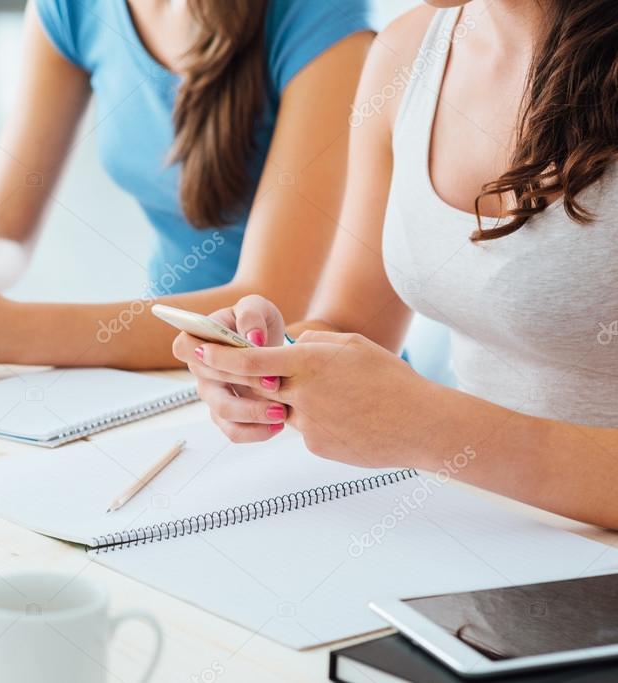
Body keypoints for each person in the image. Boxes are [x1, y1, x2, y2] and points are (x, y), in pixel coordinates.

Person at [173, 0, 618, 529]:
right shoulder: (405, 55)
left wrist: (438, 431)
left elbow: (437, 430)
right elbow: (352, 325)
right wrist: (269, 361)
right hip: (484, 531)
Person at [0, 0, 373, 369]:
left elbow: (271, 301)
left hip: (278, 382)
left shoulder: (322, 20)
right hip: (160, 365)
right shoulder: (73, 10)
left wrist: (3, 332)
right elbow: (1, 229)